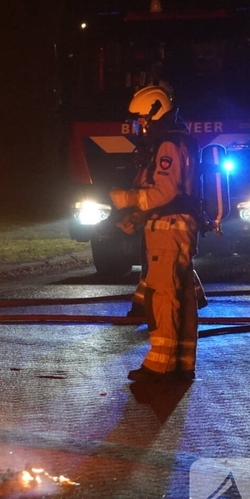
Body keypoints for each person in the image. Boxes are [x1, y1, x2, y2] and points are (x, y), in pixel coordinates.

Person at [109, 84, 201, 383]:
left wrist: (127, 199)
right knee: (181, 296)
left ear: (155, 111)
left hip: (170, 230)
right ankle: (182, 362)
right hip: (172, 226)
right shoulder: (173, 142)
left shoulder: (168, 146)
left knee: (162, 295)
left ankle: (160, 364)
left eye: (143, 120)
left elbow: (163, 192)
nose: (141, 126)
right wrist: (137, 217)